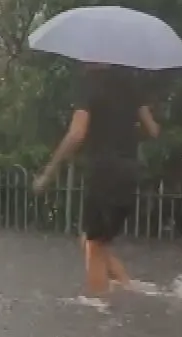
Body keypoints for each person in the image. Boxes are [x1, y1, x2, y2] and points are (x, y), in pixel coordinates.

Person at [33, 64, 160, 305]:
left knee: (92, 242)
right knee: (98, 241)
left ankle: (97, 305)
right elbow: (153, 130)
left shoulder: (90, 85)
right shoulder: (130, 83)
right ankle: (129, 288)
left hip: (104, 171)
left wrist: (48, 173)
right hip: (130, 171)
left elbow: (76, 134)